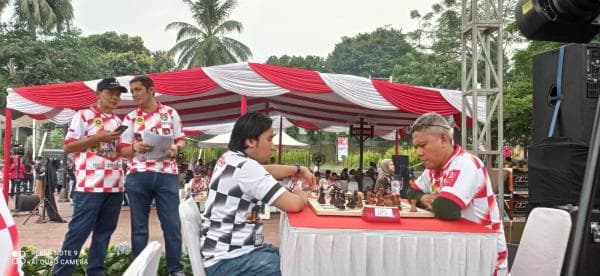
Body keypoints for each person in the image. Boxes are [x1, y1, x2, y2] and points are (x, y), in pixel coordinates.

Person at [200, 112, 316, 276]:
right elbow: (294, 204)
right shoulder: (246, 167)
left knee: (292, 256)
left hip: (224, 253)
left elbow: (265, 171)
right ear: (251, 141)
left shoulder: (229, 158)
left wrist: (298, 169)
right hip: (228, 261)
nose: (272, 145)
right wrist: (303, 194)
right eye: (269, 139)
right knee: (296, 267)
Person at [405, 112, 507, 275]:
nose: (418, 152)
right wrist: (424, 197)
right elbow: (409, 191)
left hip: (483, 258)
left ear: (444, 139)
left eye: (422, 145)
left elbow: (447, 209)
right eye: (416, 147)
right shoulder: (432, 169)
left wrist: (433, 201)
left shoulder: (466, 163)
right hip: (458, 249)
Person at [52, 77, 128, 276]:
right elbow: (68, 146)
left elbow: (117, 152)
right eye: (110, 93)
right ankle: (61, 272)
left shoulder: (119, 121)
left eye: (118, 94)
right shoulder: (83, 115)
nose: (115, 97)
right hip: (90, 188)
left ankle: (95, 271)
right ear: (98, 94)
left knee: (103, 235)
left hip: (116, 187)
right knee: (77, 233)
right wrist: (98, 137)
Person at [118, 75, 186, 276]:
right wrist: (134, 146)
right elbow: (122, 150)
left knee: (172, 225)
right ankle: (141, 269)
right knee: (139, 227)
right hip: (138, 175)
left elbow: (181, 140)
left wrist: (175, 147)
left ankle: (176, 269)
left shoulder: (170, 113)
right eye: (132, 91)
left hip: (167, 174)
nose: (134, 94)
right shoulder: (130, 117)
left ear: (151, 90)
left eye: (138, 90)